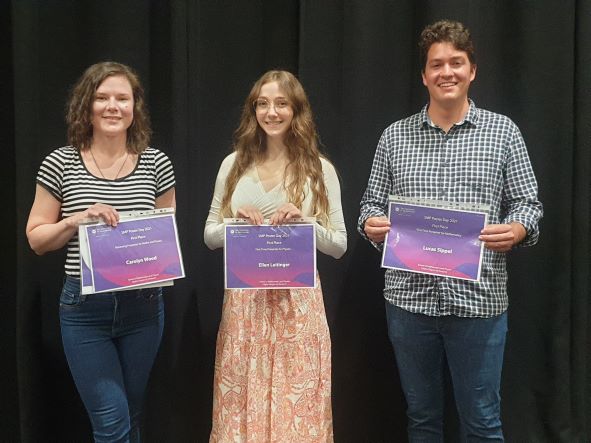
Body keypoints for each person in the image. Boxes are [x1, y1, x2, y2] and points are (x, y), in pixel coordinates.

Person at [358, 20, 543, 442]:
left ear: (472, 70)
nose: (447, 72)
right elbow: (369, 205)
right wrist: (371, 225)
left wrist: (517, 229)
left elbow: (528, 205)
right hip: (408, 302)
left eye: (456, 63)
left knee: (481, 421)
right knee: (422, 418)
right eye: (436, 64)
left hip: (479, 304)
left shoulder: (503, 133)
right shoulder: (393, 138)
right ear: (423, 75)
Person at [26, 61, 176, 443]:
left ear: (134, 108)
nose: (113, 106)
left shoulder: (157, 163)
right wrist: (73, 221)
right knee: (111, 422)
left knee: (131, 413)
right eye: (102, 97)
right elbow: (36, 238)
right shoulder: (60, 162)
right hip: (84, 312)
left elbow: (166, 234)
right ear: (86, 107)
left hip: (144, 306)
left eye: (122, 98)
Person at [204, 70, 347, 442]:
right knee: (242, 404)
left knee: (296, 407)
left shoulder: (320, 169)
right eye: (262, 104)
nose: (271, 112)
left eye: (281, 103)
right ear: (253, 111)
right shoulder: (232, 165)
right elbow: (209, 236)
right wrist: (235, 224)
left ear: (296, 110)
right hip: (244, 306)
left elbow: (339, 244)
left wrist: (306, 224)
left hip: (298, 309)